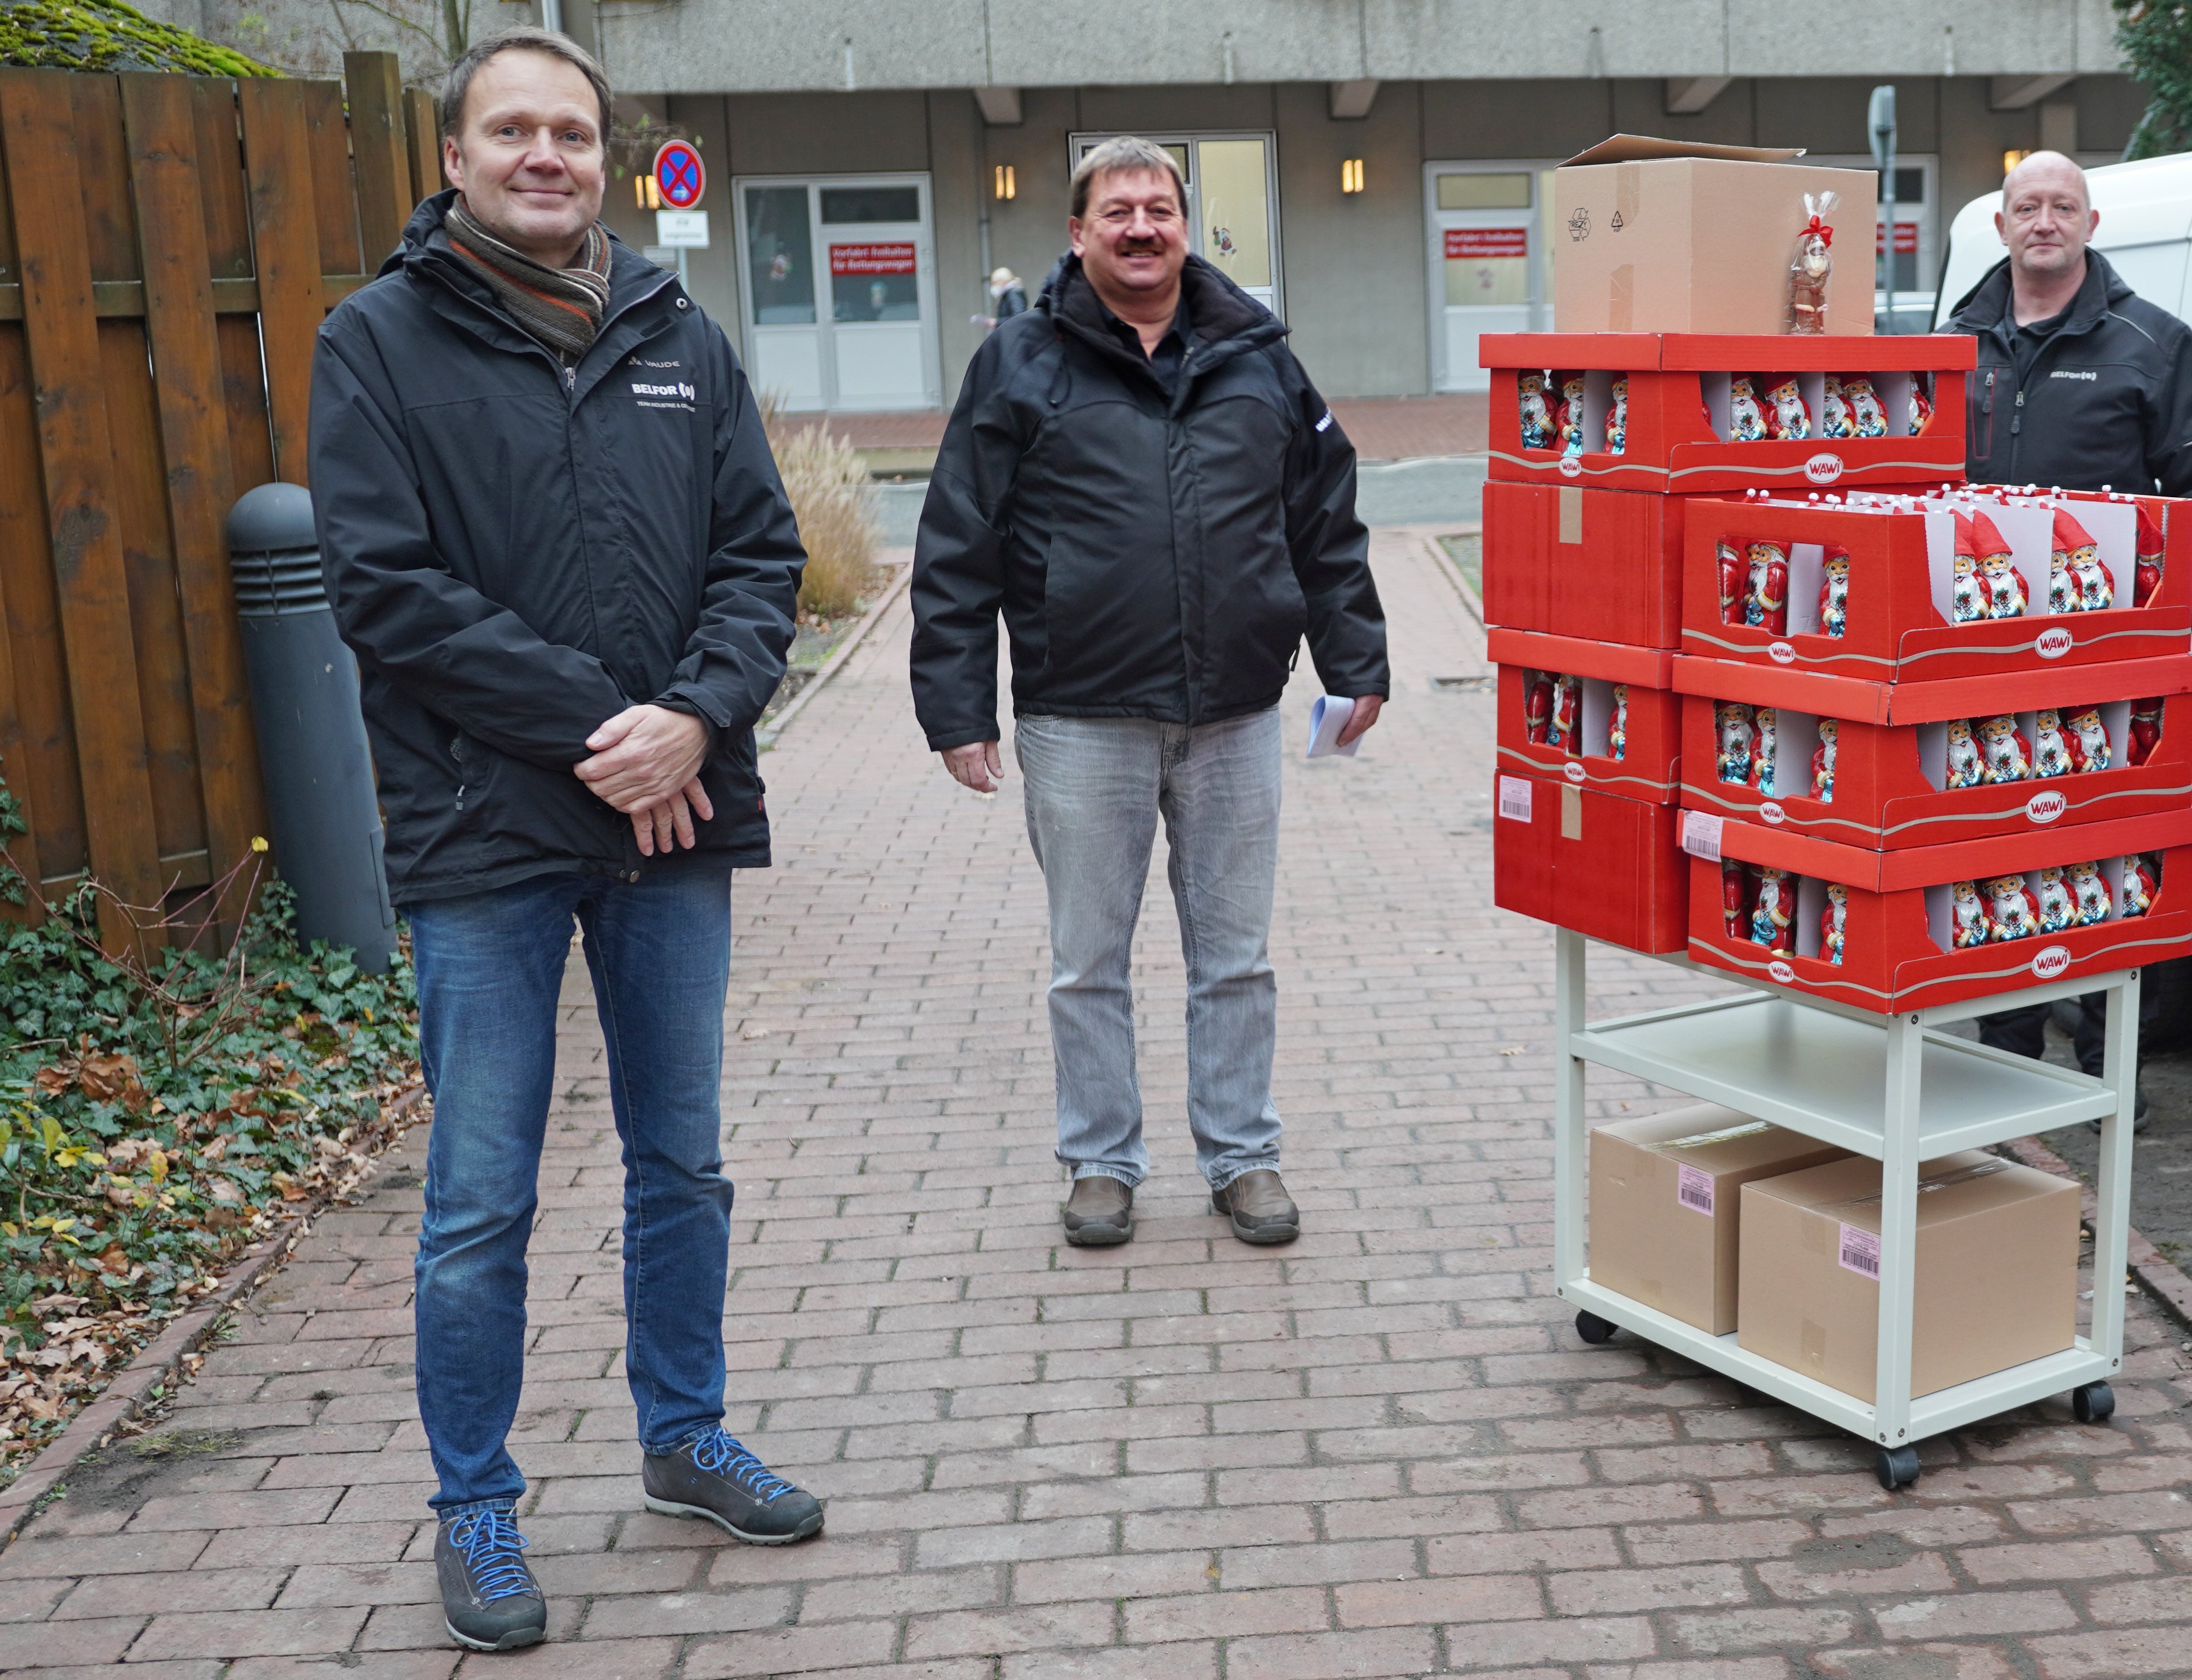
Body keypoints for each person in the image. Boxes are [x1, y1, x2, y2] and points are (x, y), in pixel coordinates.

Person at [311, 26, 827, 1653]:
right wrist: (615, 732)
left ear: (606, 158)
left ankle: (684, 1439)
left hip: (672, 818)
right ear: (453, 157)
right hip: (489, 834)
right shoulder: (375, 343)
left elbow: (762, 551)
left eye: (574, 133)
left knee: (685, 1161)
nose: (548, 155)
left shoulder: (681, 333)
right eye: (513, 130)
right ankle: (477, 1504)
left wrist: (696, 716)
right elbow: (387, 591)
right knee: (478, 1193)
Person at [911, 137, 1388, 1251]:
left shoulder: (1259, 357)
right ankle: (1100, 1162)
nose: (1139, 227)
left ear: (1186, 227)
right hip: (1080, 717)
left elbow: (1326, 517)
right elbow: (956, 541)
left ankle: (1243, 1156)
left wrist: (1353, 657)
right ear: (1078, 234)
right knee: (1089, 961)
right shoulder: (1021, 361)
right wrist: (956, 708)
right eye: (1115, 209)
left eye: (1158, 208)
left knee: (1237, 956)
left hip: (1233, 714)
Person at [1943, 150, 2192, 1081]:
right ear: (2000, 227)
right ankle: (2007, 1058)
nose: (2045, 221)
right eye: (2027, 206)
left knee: (2117, 857)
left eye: (2062, 206)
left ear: (2090, 222)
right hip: (1984, 644)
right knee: (1999, 851)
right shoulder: (1954, 340)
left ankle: (2112, 1076)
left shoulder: (2150, 341)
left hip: (2112, 649)